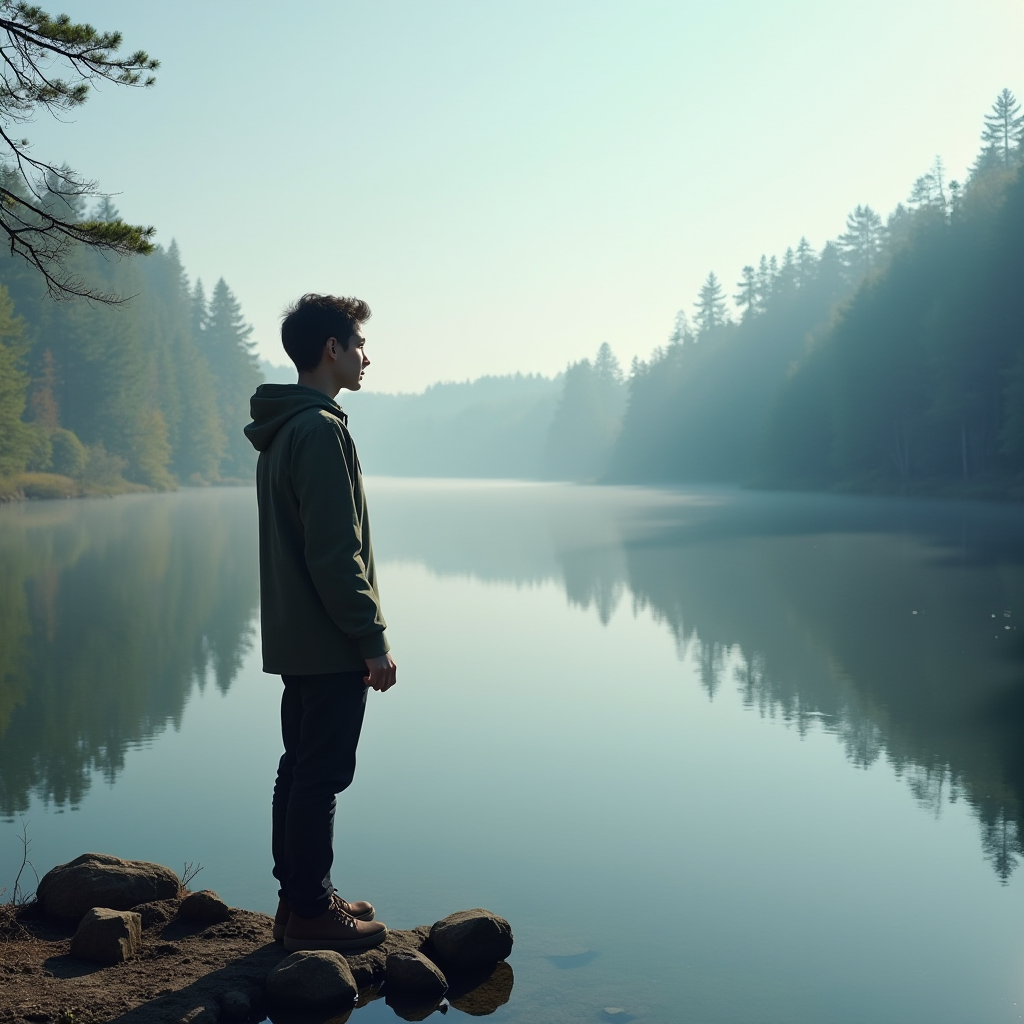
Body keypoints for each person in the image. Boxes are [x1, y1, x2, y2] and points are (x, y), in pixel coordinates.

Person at [244, 293, 396, 953]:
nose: (367, 356)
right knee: (322, 774)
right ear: (331, 349)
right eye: (359, 344)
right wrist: (372, 641)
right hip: (331, 639)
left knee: (298, 769)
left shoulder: (285, 429)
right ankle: (310, 911)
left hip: (296, 636)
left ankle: (298, 900)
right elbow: (336, 553)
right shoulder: (320, 429)